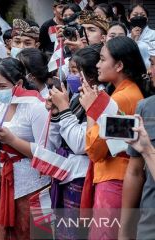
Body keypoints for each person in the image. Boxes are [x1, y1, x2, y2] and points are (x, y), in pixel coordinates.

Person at [80, 36, 146, 239]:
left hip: (115, 182)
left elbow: (94, 150)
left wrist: (92, 110)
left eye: (102, 59)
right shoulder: (129, 93)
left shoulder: (121, 98)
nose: (97, 65)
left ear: (119, 65)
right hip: (119, 178)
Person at [0, 58, 50, 239]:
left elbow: (45, 153)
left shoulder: (36, 107)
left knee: (32, 232)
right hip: (3, 181)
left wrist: (12, 139)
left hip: (32, 185)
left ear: (19, 83)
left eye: (3, 86)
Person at [46, 45, 103, 239]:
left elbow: (81, 143)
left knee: (75, 232)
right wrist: (56, 113)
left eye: (73, 71)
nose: (69, 76)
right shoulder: (77, 96)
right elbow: (54, 140)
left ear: (91, 75)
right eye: (69, 71)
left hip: (81, 175)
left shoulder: (98, 97)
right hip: (66, 171)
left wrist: (63, 109)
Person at [120, 44, 155, 240]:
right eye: (151, 63)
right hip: (149, 225)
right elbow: (134, 172)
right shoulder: (145, 107)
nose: (150, 71)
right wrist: (124, 230)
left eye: (154, 64)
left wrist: (148, 150)